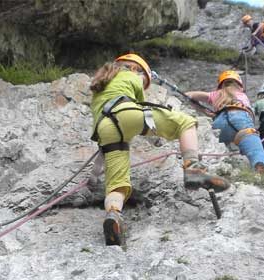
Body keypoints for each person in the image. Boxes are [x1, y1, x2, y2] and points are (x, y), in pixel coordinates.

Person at [90, 53, 230, 246]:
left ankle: (113, 215)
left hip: (104, 128)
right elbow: (137, 105)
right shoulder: (132, 74)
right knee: (186, 122)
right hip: (126, 114)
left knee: (117, 184)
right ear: (136, 68)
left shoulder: (99, 86)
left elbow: (110, 116)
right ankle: (193, 169)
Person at [186, 71, 264, 174]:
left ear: (220, 85)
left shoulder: (216, 94)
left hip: (219, 122)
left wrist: (201, 109)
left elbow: (188, 95)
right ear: (240, 86)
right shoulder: (242, 95)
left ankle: (209, 169)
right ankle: (261, 167)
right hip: (241, 118)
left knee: (215, 149)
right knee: (254, 148)